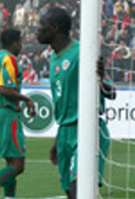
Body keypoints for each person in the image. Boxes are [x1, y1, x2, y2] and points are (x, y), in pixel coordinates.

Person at [36, 8, 117, 199]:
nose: (37, 30)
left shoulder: (82, 53)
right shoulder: (54, 57)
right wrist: (58, 139)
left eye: (42, 25)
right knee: (70, 192)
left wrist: (100, 79)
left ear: (55, 28)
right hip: (65, 133)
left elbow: (111, 92)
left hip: (87, 129)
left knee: (79, 191)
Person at [0, 29, 35, 198]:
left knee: (10, 163)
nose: (22, 45)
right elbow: (4, 89)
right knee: (18, 166)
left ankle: (9, 197)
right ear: (14, 43)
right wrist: (27, 99)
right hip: (7, 113)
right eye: (21, 42)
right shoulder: (10, 59)